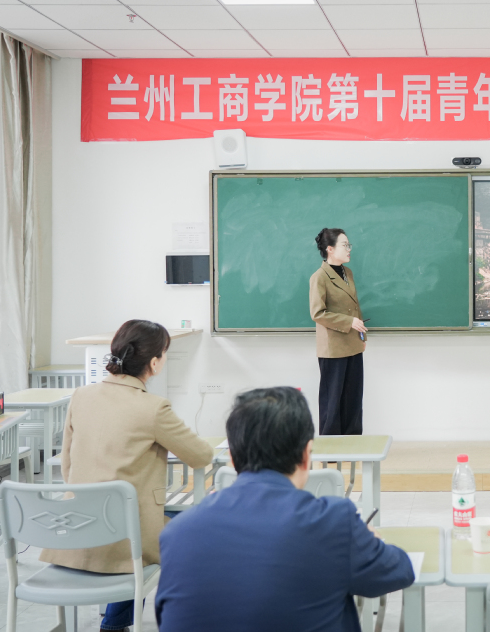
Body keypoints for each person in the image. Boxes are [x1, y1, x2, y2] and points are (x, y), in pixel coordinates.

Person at [154, 387, 414, 631]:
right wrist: (369, 540)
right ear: (307, 454)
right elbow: (400, 571)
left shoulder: (176, 532)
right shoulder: (334, 523)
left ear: (231, 457)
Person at [40, 319, 214, 632]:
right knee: (192, 525)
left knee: (137, 521)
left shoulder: (81, 396)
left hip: (75, 528)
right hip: (123, 539)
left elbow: (67, 465)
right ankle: (141, 621)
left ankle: (116, 622)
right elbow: (201, 455)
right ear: (155, 362)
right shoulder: (153, 408)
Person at [309, 227, 367, 435]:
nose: (349, 249)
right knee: (332, 402)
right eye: (345, 245)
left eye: (349, 245)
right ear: (330, 249)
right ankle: (330, 445)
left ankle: (352, 442)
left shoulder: (347, 273)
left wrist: (362, 335)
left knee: (353, 399)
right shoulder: (319, 277)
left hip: (353, 344)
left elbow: (354, 307)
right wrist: (349, 322)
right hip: (333, 348)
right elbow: (318, 313)